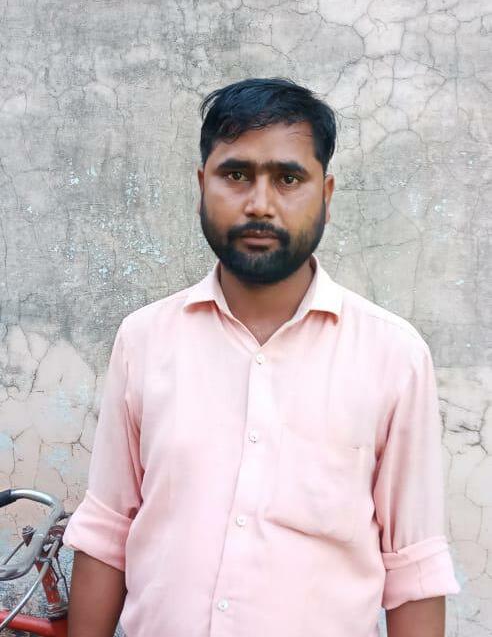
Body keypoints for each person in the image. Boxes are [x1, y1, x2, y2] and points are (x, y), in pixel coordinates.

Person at [63, 78, 459, 637]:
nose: (259, 204)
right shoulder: (144, 339)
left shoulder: (394, 356)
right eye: (236, 175)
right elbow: (107, 533)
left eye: (288, 178)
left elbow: (412, 568)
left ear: (326, 194)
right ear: (202, 185)